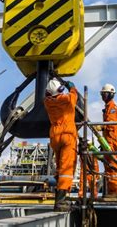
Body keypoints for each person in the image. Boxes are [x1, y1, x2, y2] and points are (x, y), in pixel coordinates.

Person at [44, 78, 78, 212]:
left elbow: (49, 95)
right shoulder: (67, 100)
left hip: (54, 136)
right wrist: (72, 86)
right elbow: (74, 95)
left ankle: (60, 197)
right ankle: (61, 202)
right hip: (67, 135)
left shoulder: (47, 102)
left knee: (60, 167)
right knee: (67, 169)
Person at [100, 83, 117, 198]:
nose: (103, 96)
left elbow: (111, 125)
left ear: (110, 94)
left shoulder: (112, 107)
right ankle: (111, 190)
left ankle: (114, 191)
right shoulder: (108, 107)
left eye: (104, 94)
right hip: (108, 140)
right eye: (102, 94)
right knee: (108, 166)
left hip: (112, 141)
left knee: (112, 165)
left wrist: (102, 127)